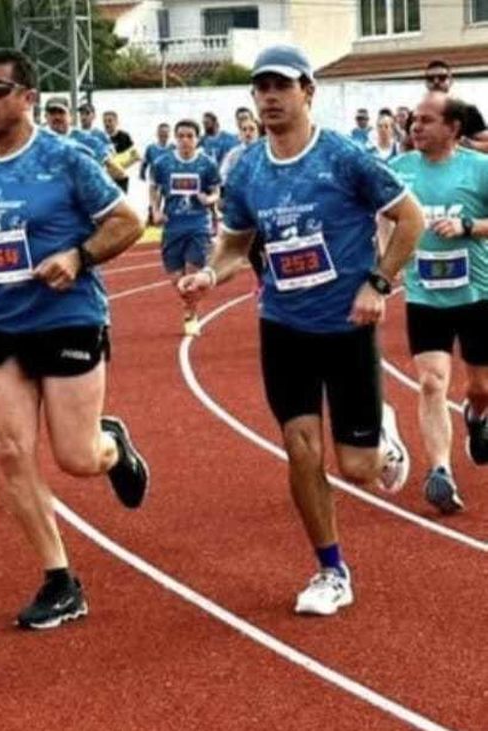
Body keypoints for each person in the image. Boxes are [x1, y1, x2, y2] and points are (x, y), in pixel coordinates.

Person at [178, 45, 423, 617]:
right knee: (299, 447)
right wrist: (212, 272)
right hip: (283, 325)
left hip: (345, 324)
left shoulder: (343, 157)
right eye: (261, 88)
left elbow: (408, 219)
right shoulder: (247, 168)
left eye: (281, 87)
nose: (270, 97)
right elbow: (239, 242)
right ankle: (331, 569)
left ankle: (380, 439)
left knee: (358, 470)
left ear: (307, 92)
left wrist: (379, 284)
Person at [0, 48, 150, 629]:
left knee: (77, 458)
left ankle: (112, 446)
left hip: (67, 316)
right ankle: (60, 579)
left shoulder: (64, 158)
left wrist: (78, 257)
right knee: (10, 452)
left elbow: (128, 222)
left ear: (27, 97)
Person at [388, 92, 488, 514]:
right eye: (414, 119)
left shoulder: (480, 169)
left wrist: (468, 225)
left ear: (453, 128)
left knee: (481, 387)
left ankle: (477, 415)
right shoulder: (398, 170)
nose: (416, 126)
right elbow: (376, 214)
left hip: (477, 294)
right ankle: (440, 472)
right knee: (431, 381)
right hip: (424, 296)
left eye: (427, 120)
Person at [151, 119, 220, 336]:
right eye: (180, 136)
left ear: (197, 139)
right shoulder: (163, 163)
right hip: (172, 227)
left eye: (189, 136)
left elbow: (217, 192)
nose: (185, 141)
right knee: (176, 279)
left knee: (192, 275)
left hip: (198, 225)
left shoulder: (207, 164)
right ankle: (189, 304)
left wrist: (208, 200)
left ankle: (191, 313)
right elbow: (155, 188)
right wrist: (155, 210)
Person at [45, 98, 127, 182]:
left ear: (70, 116)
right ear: (46, 117)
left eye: (61, 112)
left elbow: (113, 163)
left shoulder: (85, 139)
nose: (57, 117)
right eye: (52, 113)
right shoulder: (39, 141)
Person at [424, 60, 488, 152]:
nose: (436, 81)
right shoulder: (417, 114)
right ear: (426, 82)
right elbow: (408, 147)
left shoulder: (467, 111)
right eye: (430, 78)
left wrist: (465, 144)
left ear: (450, 81)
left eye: (442, 77)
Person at [140, 122, 173, 225]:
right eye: (161, 133)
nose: (163, 135)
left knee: (169, 202)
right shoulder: (151, 148)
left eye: (166, 133)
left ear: (169, 134)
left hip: (169, 180)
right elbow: (145, 162)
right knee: (154, 202)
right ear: (157, 134)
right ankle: (151, 222)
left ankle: (168, 222)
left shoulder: (173, 147)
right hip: (154, 179)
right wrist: (142, 173)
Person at [102, 110, 137, 193]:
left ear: (116, 122)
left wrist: (120, 165)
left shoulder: (124, 136)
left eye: (110, 121)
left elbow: (134, 155)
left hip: (121, 178)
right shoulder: (100, 137)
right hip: (106, 179)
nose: (107, 124)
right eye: (105, 121)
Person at [220, 115, 262, 181]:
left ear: (258, 132)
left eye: (252, 129)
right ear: (240, 133)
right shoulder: (233, 154)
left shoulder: (265, 152)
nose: (248, 133)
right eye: (244, 129)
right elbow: (222, 174)